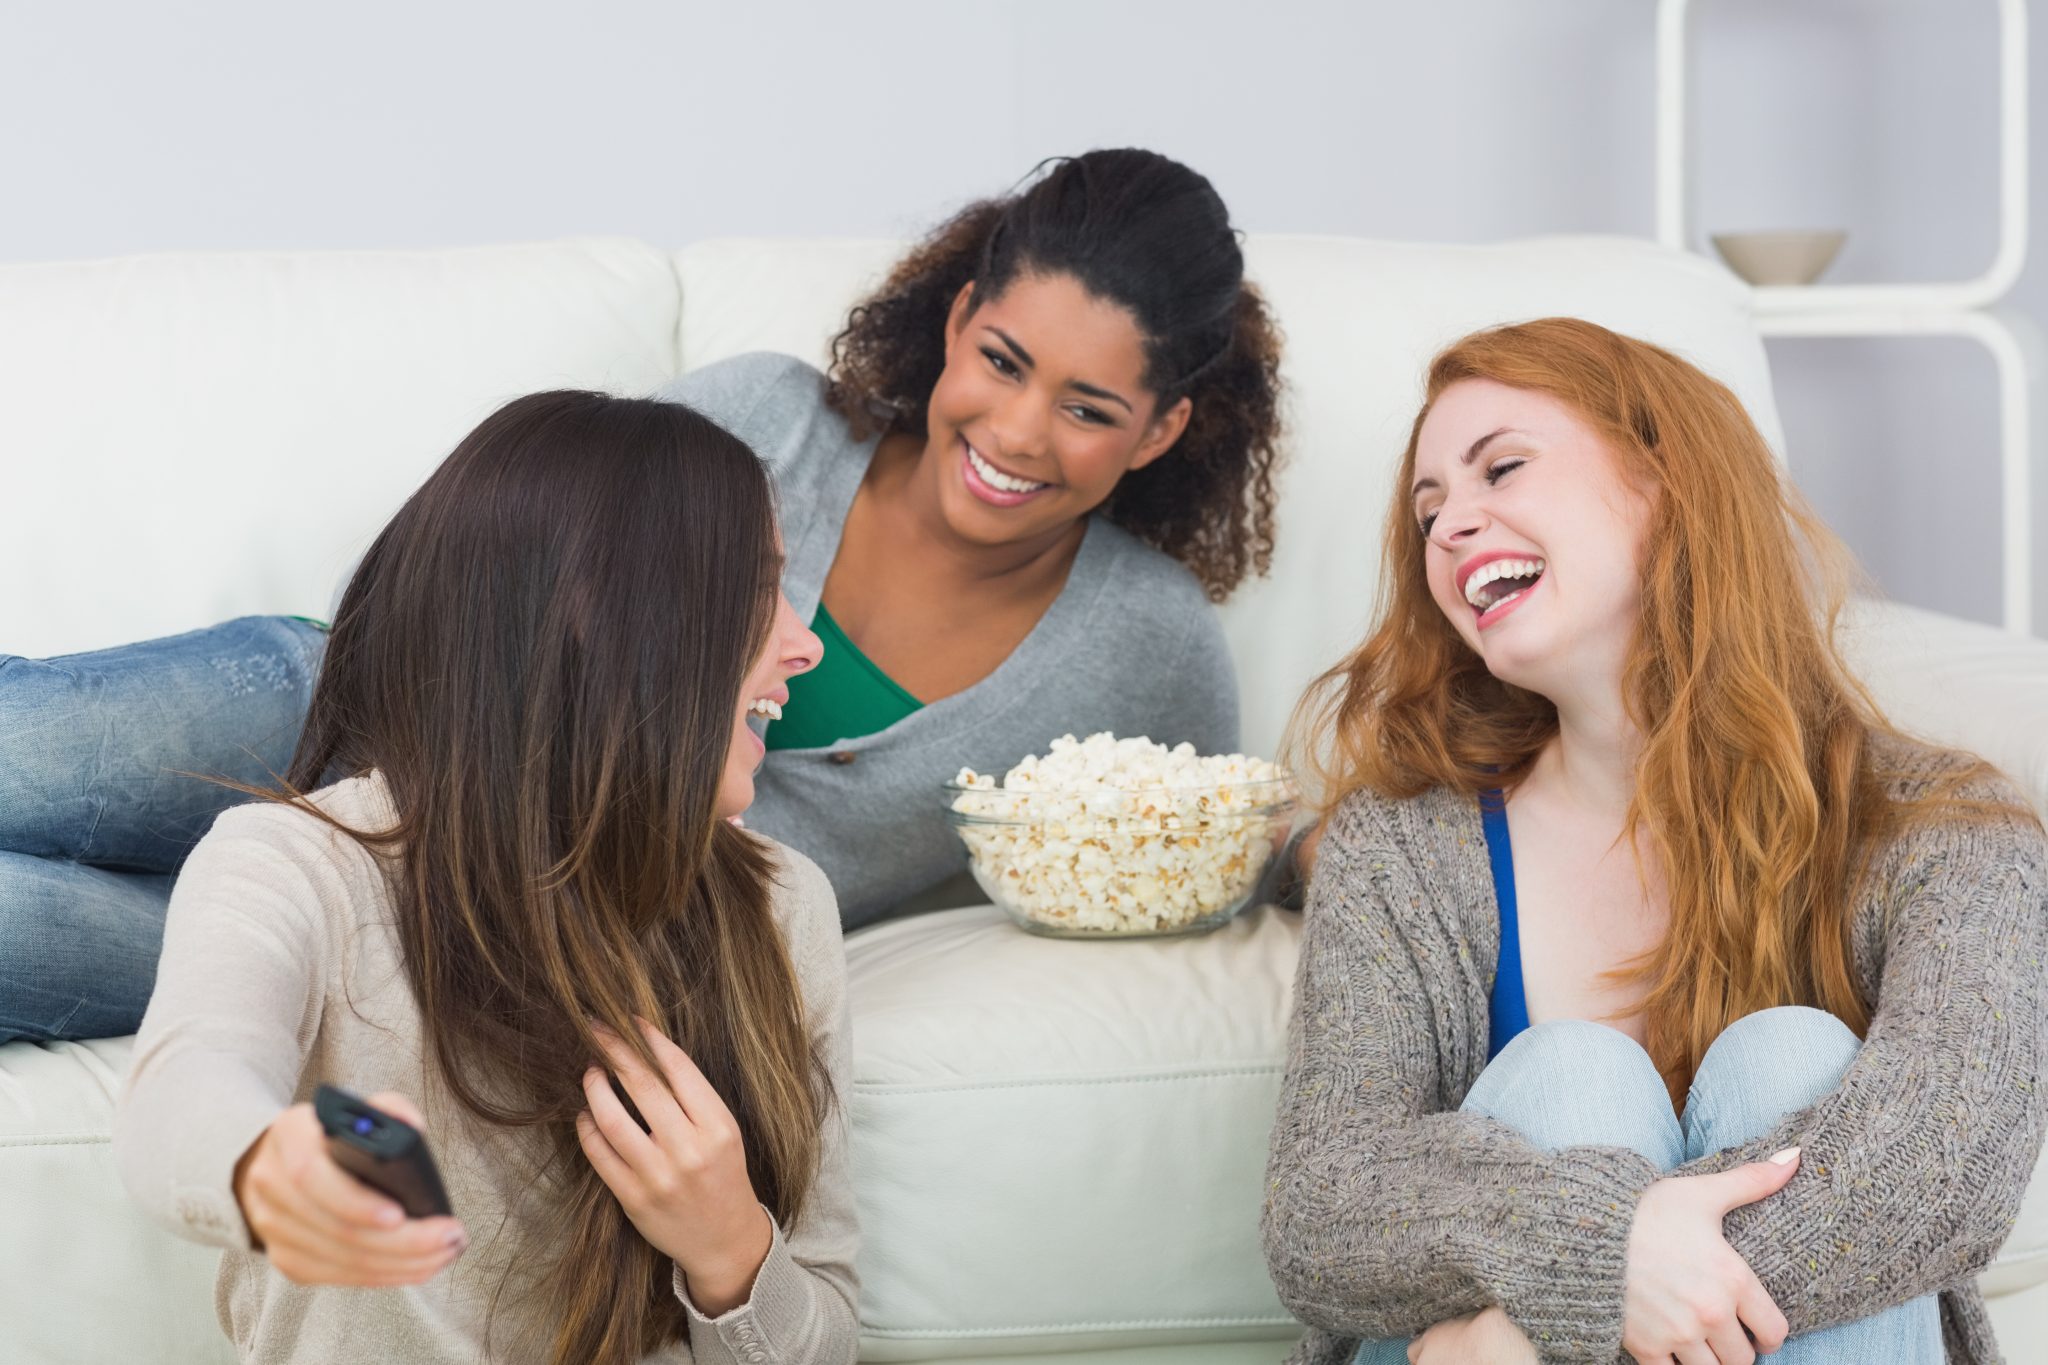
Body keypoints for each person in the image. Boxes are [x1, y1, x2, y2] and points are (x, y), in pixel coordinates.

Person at [0, 146, 1284, 1043]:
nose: (1014, 430)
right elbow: (479, 578)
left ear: (1161, 430)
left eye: (1087, 409)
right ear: (956, 322)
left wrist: (1342, 848)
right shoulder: (768, 422)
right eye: (1001, 361)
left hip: (467, 932)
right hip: (350, 707)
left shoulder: (1144, 652)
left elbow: (1194, 855)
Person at [1260, 318, 2048, 1365]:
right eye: (1428, 508)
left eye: (1499, 468)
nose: (1449, 525)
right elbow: (1319, 1206)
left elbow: (1942, 1171)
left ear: (1663, 483)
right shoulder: (1400, 845)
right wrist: (1601, 1262)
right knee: (1570, 1080)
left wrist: (1536, 1325)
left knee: (1791, 1058)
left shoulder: (1951, 834)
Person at [115, 391, 857, 1365]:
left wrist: (732, 1250)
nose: (803, 644)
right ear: (605, 613)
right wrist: (268, 1167)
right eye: (757, 591)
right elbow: (192, 1073)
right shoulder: (300, 865)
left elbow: (829, 1332)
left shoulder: (782, 903)